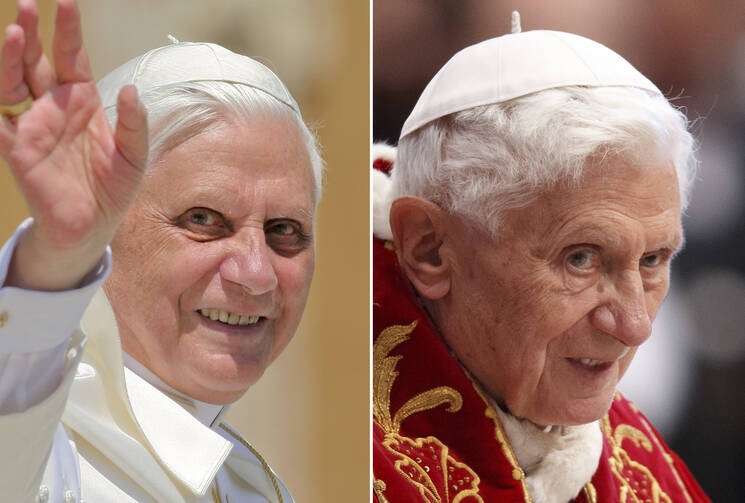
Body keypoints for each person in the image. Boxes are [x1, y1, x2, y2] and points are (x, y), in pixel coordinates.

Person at [372, 13, 710, 503]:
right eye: (582, 259)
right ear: (430, 248)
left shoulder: (645, 470)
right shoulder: (333, 445)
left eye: (654, 260)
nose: (635, 326)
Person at [0, 0, 321, 501]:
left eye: (284, 229)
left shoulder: (252, 484)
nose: (257, 273)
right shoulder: (42, 452)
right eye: (204, 219)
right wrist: (61, 255)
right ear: (104, 231)